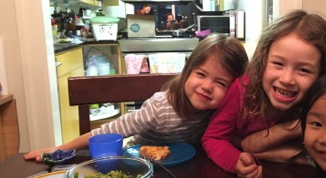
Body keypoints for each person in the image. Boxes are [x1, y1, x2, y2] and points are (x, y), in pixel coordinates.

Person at [24, 34, 248, 161]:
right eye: (201, 74)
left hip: (186, 173)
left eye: (220, 83)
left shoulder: (219, 111)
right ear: (187, 71)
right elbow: (109, 131)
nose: (207, 86)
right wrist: (60, 149)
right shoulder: (160, 108)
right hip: (138, 164)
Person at [201, 9, 326, 178]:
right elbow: (213, 137)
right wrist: (236, 161)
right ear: (263, 61)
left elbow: (313, 155)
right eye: (278, 64)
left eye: (303, 70)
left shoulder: (319, 102)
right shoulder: (243, 89)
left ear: (321, 74)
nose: (287, 79)